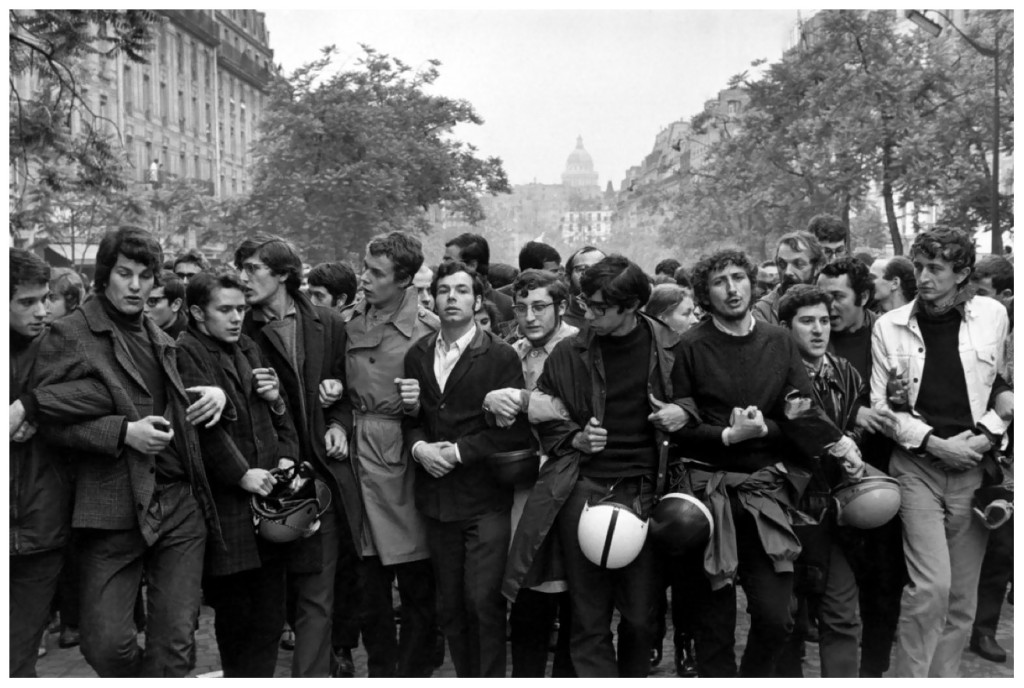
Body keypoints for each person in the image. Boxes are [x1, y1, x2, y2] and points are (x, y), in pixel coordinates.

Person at [30, 227, 226, 677]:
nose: (136, 286)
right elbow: (50, 418)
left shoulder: (159, 334)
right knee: (106, 647)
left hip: (178, 501)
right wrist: (122, 432)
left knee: (175, 644)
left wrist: (217, 394)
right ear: (105, 276)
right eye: (124, 274)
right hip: (111, 505)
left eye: (144, 275)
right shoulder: (71, 333)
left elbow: (185, 392)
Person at [671, 249, 864, 678]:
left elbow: (800, 409)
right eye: (720, 281)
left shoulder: (777, 339)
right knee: (714, 624)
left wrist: (826, 442)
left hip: (767, 491)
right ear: (706, 292)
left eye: (738, 277)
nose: (732, 288)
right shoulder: (689, 346)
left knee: (778, 616)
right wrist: (726, 435)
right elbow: (680, 427)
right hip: (710, 492)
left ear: (751, 282)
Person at [521, 255, 690, 677]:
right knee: (587, 617)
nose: (589, 315)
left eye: (600, 308)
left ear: (632, 306)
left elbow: (702, 404)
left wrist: (681, 412)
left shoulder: (674, 347)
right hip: (584, 487)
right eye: (586, 304)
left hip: (648, 491)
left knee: (638, 616)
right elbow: (544, 415)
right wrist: (574, 438)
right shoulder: (569, 352)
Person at [870, 227, 1013, 677]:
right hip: (917, 467)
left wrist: (986, 435)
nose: (923, 277)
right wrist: (935, 443)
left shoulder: (993, 315)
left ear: (962, 273)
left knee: (960, 598)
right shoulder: (888, 326)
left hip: (973, 467)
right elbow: (882, 406)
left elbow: (1006, 389)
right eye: (919, 266)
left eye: (935, 269)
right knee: (931, 587)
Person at [237, 235, 362, 677]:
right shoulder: (240, 328)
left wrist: (338, 424)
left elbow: (344, 391)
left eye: (253, 269)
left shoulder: (328, 322)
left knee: (317, 595)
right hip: (265, 481)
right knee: (268, 601)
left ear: (285, 274)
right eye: (242, 269)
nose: (244, 278)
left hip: (322, 479)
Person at [402, 260, 533, 677]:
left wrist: (455, 453)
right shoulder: (417, 354)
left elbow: (512, 434)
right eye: (444, 291)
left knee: (483, 601)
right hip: (437, 500)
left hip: (483, 497)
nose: (451, 298)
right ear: (433, 298)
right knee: (451, 606)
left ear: (478, 301)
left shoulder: (499, 355)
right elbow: (412, 419)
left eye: (461, 290)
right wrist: (419, 447)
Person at [176, 270, 299, 677]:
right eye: (224, 309)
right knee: (236, 619)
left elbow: (276, 414)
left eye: (241, 309)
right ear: (196, 312)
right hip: (228, 506)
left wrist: (285, 454)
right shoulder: (188, 351)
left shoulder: (248, 346)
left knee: (269, 617)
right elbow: (203, 428)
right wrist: (243, 474)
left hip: (268, 503)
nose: (235, 318)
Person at [335, 232, 439, 678]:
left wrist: (421, 404)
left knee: (417, 581)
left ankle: (414, 671)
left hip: (406, 459)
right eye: (364, 268)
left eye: (376, 273)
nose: (364, 279)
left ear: (404, 280)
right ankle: (381, 670)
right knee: (368, 584)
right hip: (356, 456)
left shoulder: (431, 329)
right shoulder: (343, 323)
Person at [774, 285, 891, 677]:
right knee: (785, 620)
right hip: (786, 507)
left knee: (841, 616)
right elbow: (797, 415)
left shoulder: (844, 370)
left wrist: (854, 447)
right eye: (807, 321)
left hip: (838, 509)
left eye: (824, 320)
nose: (819, 329)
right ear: (785, 326)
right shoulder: (773, 370)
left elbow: (853, 418)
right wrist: (841, 446)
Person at [484, 269, 578, 678]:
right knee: (528, 589)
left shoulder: (580, 348)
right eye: (521, 308)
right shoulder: (512, 350)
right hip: (524, 483)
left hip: (574, 480)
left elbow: (580, 409)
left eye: (540, 307)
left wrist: (524, 400)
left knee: (575, 594)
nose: (529, 316)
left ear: (560, 307)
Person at [9, 249, 67, 677]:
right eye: (26, 302)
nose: (42, 311)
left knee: (18, 658)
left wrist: (34, 407)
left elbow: (93, 390)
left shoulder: (56, 345)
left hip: (40, 524)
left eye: (44, 298)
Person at [968, 254, 1014, 664]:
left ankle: (983, 629)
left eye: (981, 293)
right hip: (973, 446)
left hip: (1009, 459)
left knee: (1000, 547)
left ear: (1006, 296)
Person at [753, 231, 826, 324]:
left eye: (798, 264)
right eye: (782, 264)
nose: (788, 272)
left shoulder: (829, 303)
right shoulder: (763, 311)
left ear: (817, 267)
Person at [443, 232, 515, 323]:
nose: (444, 266)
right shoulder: (441, 301)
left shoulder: (507, 306)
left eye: (448, 260)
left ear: (472, 265)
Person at [562, 245, 607, 329]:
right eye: (582, 269)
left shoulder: (620, 319)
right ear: (568, 279)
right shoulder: (558, 323)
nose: (590, 274)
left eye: (598, 269)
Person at [144, 270, 188, 339]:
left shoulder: (188, 342)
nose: (144, 308)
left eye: (152, 301)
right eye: (141, 300)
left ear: (176, 304)